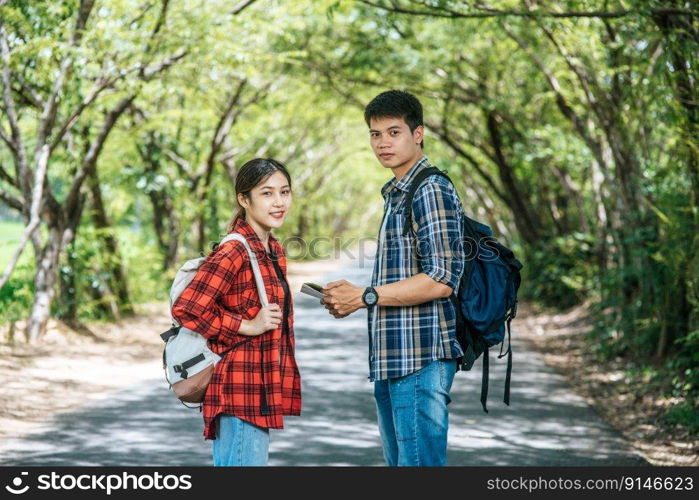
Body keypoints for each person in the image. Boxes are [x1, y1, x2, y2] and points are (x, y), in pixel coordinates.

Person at [322, 90, 465, 466]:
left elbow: (442, 278)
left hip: (420, 358)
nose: (383, 142)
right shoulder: (397, 193)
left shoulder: (430, 188)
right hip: (392, 357)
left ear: (418, 134)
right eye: (375, 134)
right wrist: (352, 298)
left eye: (393, 132)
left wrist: (365, 296)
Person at [172, 158, 301, 466]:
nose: (279, 202)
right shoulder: (235, 250)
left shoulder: (272, 250)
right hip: (237, 389)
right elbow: (187, 308)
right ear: (244, 199)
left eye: (284, 192)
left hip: (260, 386)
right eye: (267, 193)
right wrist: (246, 325)